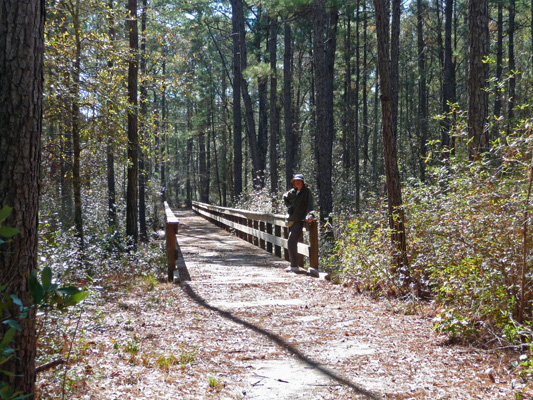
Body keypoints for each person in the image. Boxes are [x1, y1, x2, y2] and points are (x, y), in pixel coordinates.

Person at [283, 174, 315, 273]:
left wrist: (311, 215)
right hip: (292, 220)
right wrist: (289, 206)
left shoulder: (307, 192)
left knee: (291, 241)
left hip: (299, 221)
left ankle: (294, 266)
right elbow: (284, 196)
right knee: (292, 242)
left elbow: (311, 205)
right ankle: (294, 265)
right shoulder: (293, 192)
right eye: (296, 181)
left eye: (299, 181)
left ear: (302, 182)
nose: (297, 182)